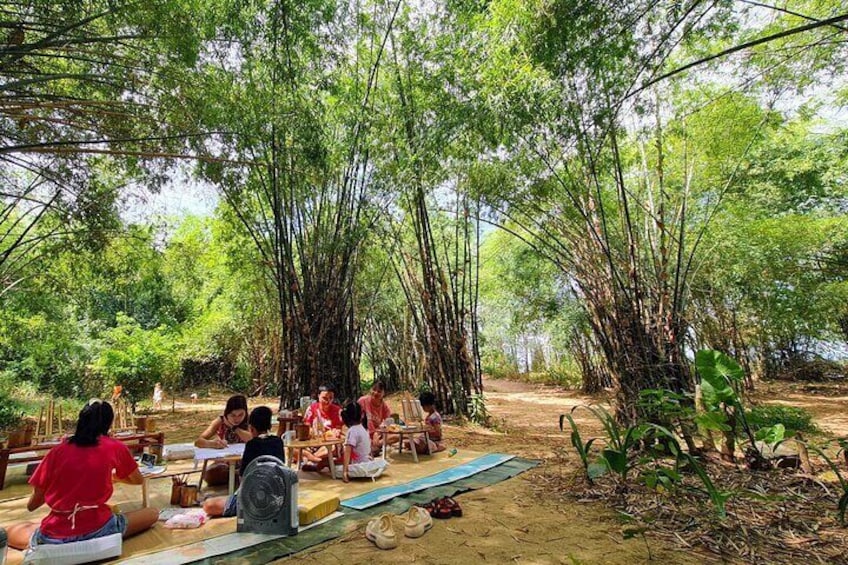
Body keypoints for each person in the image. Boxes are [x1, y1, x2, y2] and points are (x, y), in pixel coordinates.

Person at [4, 399, 158, 551]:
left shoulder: (57, 452)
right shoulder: (115, 447)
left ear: (81, 420)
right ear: (109, 423)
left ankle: (51, 542)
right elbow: (138, 480)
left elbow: (32, 505)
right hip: (102, 528)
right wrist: (114, 477)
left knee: (10, 531)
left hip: (55, 534)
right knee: (152, 513)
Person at [203, 406, 284, 518]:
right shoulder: (278, 442)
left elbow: (243, 478)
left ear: (251, 428)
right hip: (275, 495)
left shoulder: (251, 445)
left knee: (208, 505)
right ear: (270, 425)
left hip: (252, 499)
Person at [195, 395, 251, 485]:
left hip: (245, 462)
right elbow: (198, 441)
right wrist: (213, 444)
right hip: (224, 463)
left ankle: (236, 476)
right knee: (208, 475)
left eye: (241, 415)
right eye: (233, 415)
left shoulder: (249, 421)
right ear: (227, 413)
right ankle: (236, 477)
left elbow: (251, 439)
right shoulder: (220, 421)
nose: (237, 419)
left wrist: (235, 427)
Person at [337, 403, 388, 482]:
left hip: (358, 466)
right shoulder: (363, 429)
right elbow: (369, 449)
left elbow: (348, 452)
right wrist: (372, 461)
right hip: (367, 463)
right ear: (362, 415)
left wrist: (345, 471)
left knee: (330, 466)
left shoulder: (352, 431)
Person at [300, 384, 343, 465]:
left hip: (328, 444)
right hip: (312, 443)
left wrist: (334, 432)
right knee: (289, 449)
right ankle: (315, 460)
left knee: (333, 448)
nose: (328, 401)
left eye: (331, 398)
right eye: (325, 398)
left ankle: (310, 459)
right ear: (318, 396)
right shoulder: (311, 409)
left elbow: (338, 429)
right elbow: (306, 427)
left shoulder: (337, 411)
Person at [357, 381, 392, 455]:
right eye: (374, 390)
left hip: (378, 436)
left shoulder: (384, 406)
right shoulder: (362, 401)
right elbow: (355, 420)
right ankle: (374, 446)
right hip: (364, 435)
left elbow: (389, 421)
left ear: (383, 393)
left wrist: (378, 432)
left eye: (379, 391)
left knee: (396, 436)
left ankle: (376, 445)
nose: (376, 393)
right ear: (370, 390)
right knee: (372, 450)